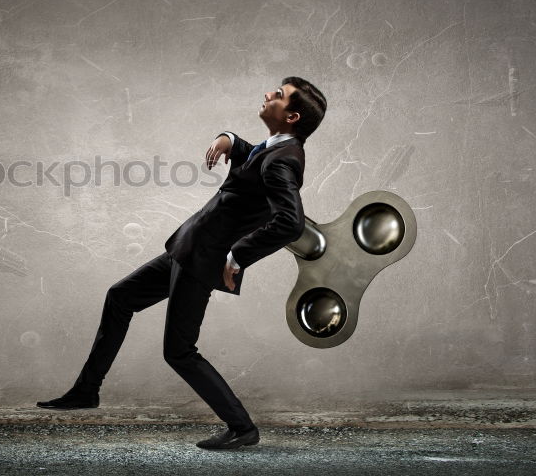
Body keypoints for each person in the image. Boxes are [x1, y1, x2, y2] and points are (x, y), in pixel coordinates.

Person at [37, 77, 327, 450]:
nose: (269, 93)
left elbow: (290, 222)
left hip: (202, 261)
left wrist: (238, 256)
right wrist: (228, 138)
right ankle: (86, 390)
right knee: (120, 296)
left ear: (292, 116)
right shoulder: (274, 148)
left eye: (280, 95)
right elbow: (250, 155)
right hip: (187, 250)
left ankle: (242, 428)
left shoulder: (283, 162)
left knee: (179, 352)